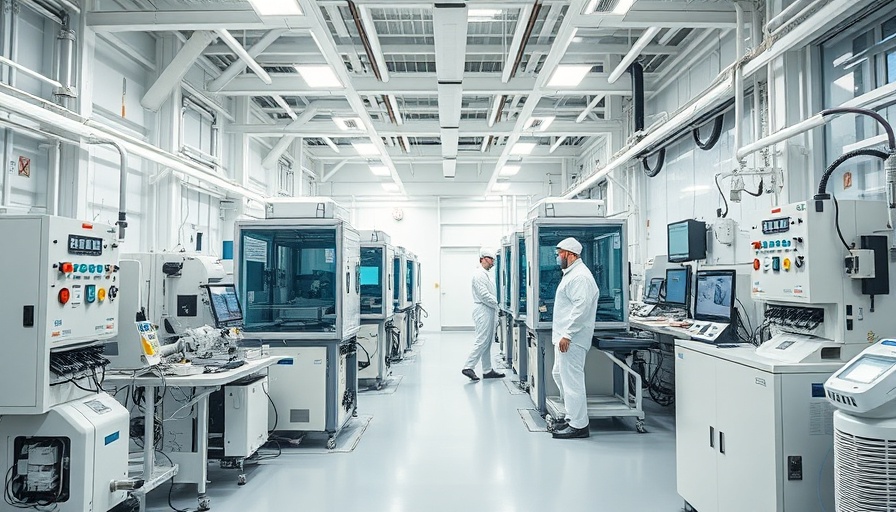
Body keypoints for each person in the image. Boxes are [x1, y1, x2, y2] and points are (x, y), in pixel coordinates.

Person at [550, 237, 599, 439]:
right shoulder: (572, 274)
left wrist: (568, 334)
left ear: (570, 254)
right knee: (558, 374)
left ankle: (579, 425)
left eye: (559, 253)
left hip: (572, 339)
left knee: (572, 382)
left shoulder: (580, 277)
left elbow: (581, 309)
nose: (557, 257)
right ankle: (572, 415)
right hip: (564, 337)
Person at [461, 247, 505, 382]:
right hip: (483, 309)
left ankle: (487, 370)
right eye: (490, 259)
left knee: (488, 341)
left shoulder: (486, 274)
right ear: (482, 259)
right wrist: (498, 304)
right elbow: (484, 295)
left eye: (493, 260)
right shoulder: (479, 275)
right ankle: (468, 366)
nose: (492, 262)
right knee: (482, 340)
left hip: (489, 309)